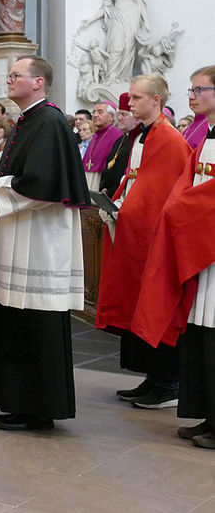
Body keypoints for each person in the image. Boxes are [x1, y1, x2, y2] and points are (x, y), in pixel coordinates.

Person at [0, 56, 90, 432]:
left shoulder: (51, 121)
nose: (9, 80)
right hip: (23, 235)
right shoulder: (29, 120)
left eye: (16, 75)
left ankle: (40, 408)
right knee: (17, 317)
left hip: (41, 240)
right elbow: (24, 171)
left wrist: (0, 186)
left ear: (38, 82)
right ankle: (19, 401)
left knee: (37, 320)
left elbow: (43, 182)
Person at [95, 74, 192, 409]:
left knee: (158, 307)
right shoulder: (141, 136)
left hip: (154, 240)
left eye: (136, 98)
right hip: (134, 233)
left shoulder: (168, 139)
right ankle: (152, 377)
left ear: (156, 100)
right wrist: (117, 204)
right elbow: (135, 183)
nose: (130, 103)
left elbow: (164, 194)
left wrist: (129, 210)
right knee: (139, 307)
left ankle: (169, 382)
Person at [131, 66, 215, 447]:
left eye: (199, 89)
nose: (192, 95)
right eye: (191, 89)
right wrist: (177, 208)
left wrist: (180, 210)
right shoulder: (206, 136)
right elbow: (187, 183)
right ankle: (210, 417)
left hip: (209, 241)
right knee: (200, 332)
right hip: (202, 244)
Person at [78, 0, 152, 83]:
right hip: (116, 17)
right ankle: (111, 76)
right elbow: (105, 8)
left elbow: (140, 3)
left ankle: (124, 77)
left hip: (132, 16)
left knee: (129, 47)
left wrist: (146, 22)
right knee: (115, 47)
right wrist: (90, 20)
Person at [100, 92, 139, 195]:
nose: (119, 118)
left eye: (124, 114)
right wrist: (104, 187)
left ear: (135, 118)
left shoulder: (138, 141)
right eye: (119, 114)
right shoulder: (120, 140)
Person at [83, 101, 123, 190]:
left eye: (100, 112)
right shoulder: (95, 135)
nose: (95, 115)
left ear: (111, 117)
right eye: (94, 112)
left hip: (102, 182)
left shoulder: (117, 136)